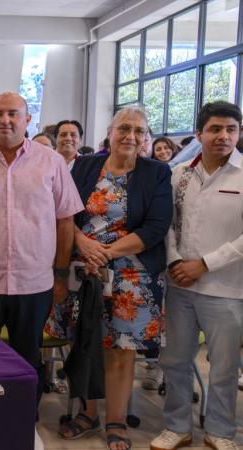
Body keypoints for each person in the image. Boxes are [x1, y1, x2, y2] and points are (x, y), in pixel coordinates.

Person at [0, 92, 83, 410]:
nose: (5, 120)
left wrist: (61, 275)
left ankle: (23, 421)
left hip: (34, 283)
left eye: (13, 113)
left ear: (27, 119)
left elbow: (65, 221)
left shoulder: (51, 162)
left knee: (27, 360)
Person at [46, 105, 172, 450]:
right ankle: (87, 414)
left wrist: (106, 252)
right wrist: (83, 243)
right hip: (82, 271)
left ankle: (116, 420)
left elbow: (156, 226)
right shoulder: (85, 166)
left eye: (139, 131)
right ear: (110, 133)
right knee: (83, 342)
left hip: (132, 277)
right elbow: (64, 212)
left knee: (120, 350)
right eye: (124, 129)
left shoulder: (157, 172)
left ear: (145, 137)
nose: (131, 136)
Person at [152, 101, 243, 450]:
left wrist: (204, 264)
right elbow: (166, 224)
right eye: (215, 129)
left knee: (223, 367)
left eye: (231, 129)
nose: (223, 136)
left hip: (226, 288)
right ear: (199, 134)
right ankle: (176, 426)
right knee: (174, 360)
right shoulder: (180, 174)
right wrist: (176, 261)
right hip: (179, 285)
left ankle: (220, 431)